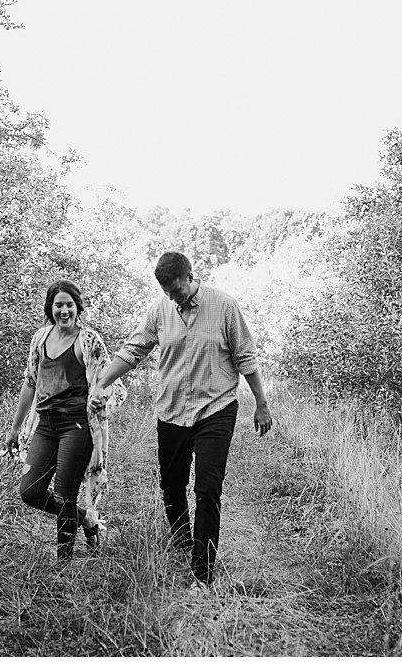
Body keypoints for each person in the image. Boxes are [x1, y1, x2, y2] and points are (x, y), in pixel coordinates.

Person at [89, 251, 272, 586]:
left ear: (190, 276)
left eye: (178, 291)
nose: (173, 298)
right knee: (172, 486)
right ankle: (182, 540)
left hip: (216, 408)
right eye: (167, 293)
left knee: (207, 488)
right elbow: (134, 350)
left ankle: (202, 571)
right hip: (172, 410)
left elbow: (245, 355)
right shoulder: (160, 311)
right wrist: (103, 381)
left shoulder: (224, 306)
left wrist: (261, 402)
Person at [5, 279, 113, 561]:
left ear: (77, 307)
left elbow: (107, 380)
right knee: (30, 491)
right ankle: (87, 519)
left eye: (69, 305)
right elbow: (30, 383)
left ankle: (63, 562)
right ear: (50, 308)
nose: (64, 310)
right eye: (58, 305)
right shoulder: (40, 339)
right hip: (46, 425)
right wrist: (15, 429)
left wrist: (101, 398)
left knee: (65, 494)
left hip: (77, 427)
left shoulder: (89, 340)